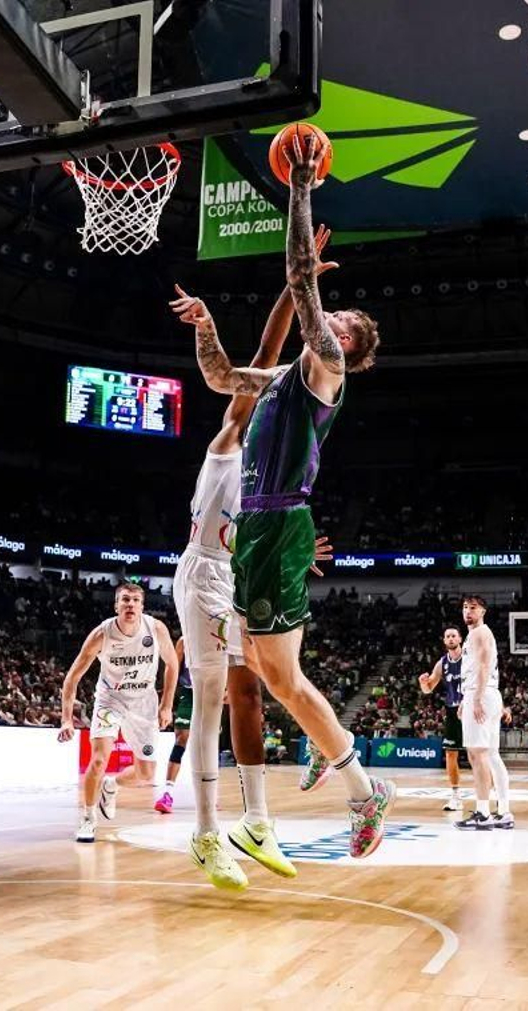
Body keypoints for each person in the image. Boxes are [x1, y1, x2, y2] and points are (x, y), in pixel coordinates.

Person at [175, 128, 391, 859]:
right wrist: (207, 325)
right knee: (278, 677)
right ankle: (359, 782)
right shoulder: (280, 381)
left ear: (348, 351)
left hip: (278, 526)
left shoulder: (325, 368)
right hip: (261, 532)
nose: (335, 319)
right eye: (339, 314)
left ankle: (363, 786)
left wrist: (300, 186)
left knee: (283, 679)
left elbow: (302, 284)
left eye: (346, 323)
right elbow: (218, 377)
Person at [168, 241, 337, 889]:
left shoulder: (269, 464)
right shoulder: (232, 435)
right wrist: (293, 291)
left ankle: (258, 819)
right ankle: (207, 832)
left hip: (238, 574)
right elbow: (266, 357)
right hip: (202, 573)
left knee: (252, 693)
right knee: (211, 697)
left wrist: (292, 554)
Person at [57, 583, 178, 843]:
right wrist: (66, 719)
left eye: (135, 600)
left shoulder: (156, 629)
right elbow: (72, 678)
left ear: (142, 607)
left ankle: (112, 785)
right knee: (99, 759)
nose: (130, 604)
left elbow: (173, 664)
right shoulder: (102, 634)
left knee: (146, 774)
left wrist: (166, 704)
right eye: (125, 600)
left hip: (144, 700)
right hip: (110, 699)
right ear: (116, 606)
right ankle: (89, 818)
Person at [455, 597, 512, 830]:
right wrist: (467, 698)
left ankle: (482, 813)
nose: (468, 611)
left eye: (473, 608)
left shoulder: (480, 633)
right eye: (465, 608)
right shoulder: (477, 634)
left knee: (477, 755)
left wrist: (475, 697)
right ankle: (505, 812)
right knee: (491, 755)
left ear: (483, 611)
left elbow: (484, 666)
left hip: (482, 694)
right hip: (486, 693)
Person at [417, 627, 468, 812]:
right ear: (444, 641)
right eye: (447, 636)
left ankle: (488, 797)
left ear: (460, 638)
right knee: (450, 754)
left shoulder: (469, 657)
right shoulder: (442, 663)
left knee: (478, 755)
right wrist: (423, 683)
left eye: (454, 635)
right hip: (453, 711)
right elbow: (428, 688)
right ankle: (455, 797)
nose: (451, 638)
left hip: (471, 709)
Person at [157, 637, 192, 815]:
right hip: (189, 692)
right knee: (181, 739)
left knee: (208, 742)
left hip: (211, 691)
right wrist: (167, 704)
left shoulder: (220, 632)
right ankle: (167, 794)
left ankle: (210, 795)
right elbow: (173, 668)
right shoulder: (184, 641)